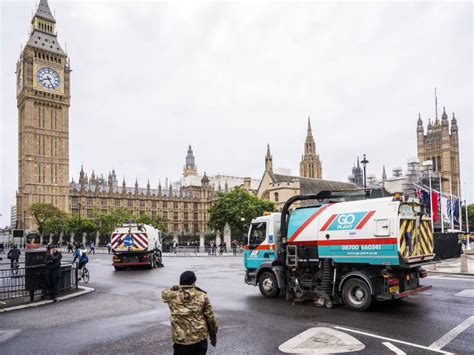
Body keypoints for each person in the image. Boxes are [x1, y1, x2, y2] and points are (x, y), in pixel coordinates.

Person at [162, 271, 218, 355]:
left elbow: (165, 291)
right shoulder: (202, 296)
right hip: (199, 339)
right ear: (193, 282)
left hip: (181, 340)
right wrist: (213, 335)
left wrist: (179, 288)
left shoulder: (171, 295)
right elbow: (210, 318)